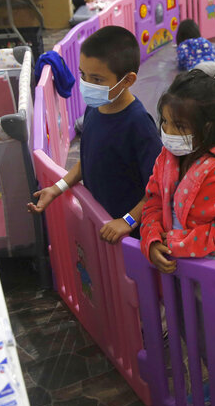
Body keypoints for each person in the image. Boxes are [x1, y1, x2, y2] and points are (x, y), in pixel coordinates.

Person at [28, 26, 162, 246]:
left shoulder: (138, 124)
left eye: (97, 80)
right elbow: (89, 160)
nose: (87, 85)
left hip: (129, 237)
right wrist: (57, 188)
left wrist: (128, 221)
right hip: (102, 223)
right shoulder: (95, 107)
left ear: (127, 81)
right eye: (83, 75)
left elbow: (158, 187)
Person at [139, 69, 215, 301]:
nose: (168, 132)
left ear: (206, 128)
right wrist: (152, 240)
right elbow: (153, 202)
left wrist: (178, 243)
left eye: (180, 126)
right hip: (176, 265)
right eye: (165, 122)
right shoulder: (167, 157)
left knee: (209, 332)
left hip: (213, 275)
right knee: (184, 321)